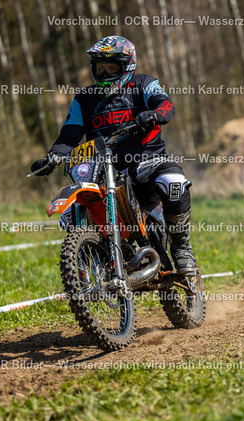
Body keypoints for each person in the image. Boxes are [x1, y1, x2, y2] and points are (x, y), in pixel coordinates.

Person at [30, 35, 196, 274]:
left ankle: (181, 248)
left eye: (112, 67)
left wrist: (154, 114)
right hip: (103, 170)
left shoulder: (143, 84)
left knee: (174, 183)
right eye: (101, 67)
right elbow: (68, 137)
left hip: (147, 163)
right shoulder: (83, 100)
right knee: (70, 213)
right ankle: (91, 270)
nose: (105, 73)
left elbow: (166, 105)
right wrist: (53, 156)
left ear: (127, 65)